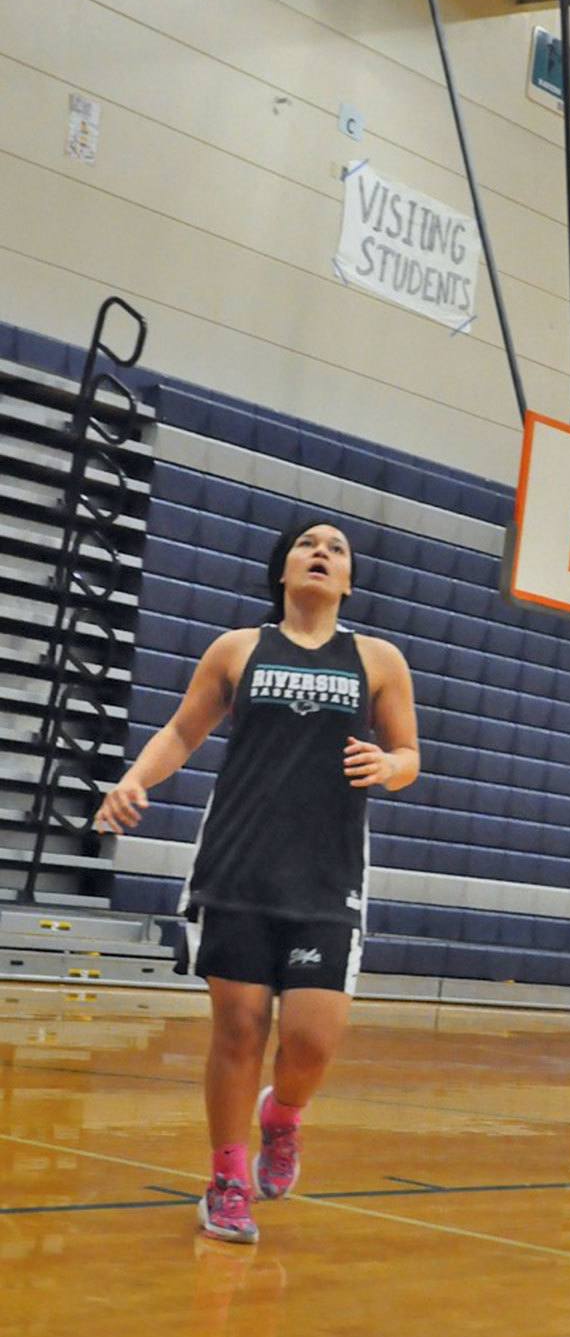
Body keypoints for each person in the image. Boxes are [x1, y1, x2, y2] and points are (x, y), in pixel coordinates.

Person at [95, 517, 421, 1244]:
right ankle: (226, 1179)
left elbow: (408, 753)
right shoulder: (237, 649)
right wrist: (132, 781)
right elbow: (182, 732)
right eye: (309, 544)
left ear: (348, 581)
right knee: (238, 1030)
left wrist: (390, 769)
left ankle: (283, 1117)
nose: (322, 553)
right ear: (284, 569)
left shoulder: (378, 660)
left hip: (327, 874)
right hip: (238, 863)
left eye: (337, 550)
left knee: (311, 1042)